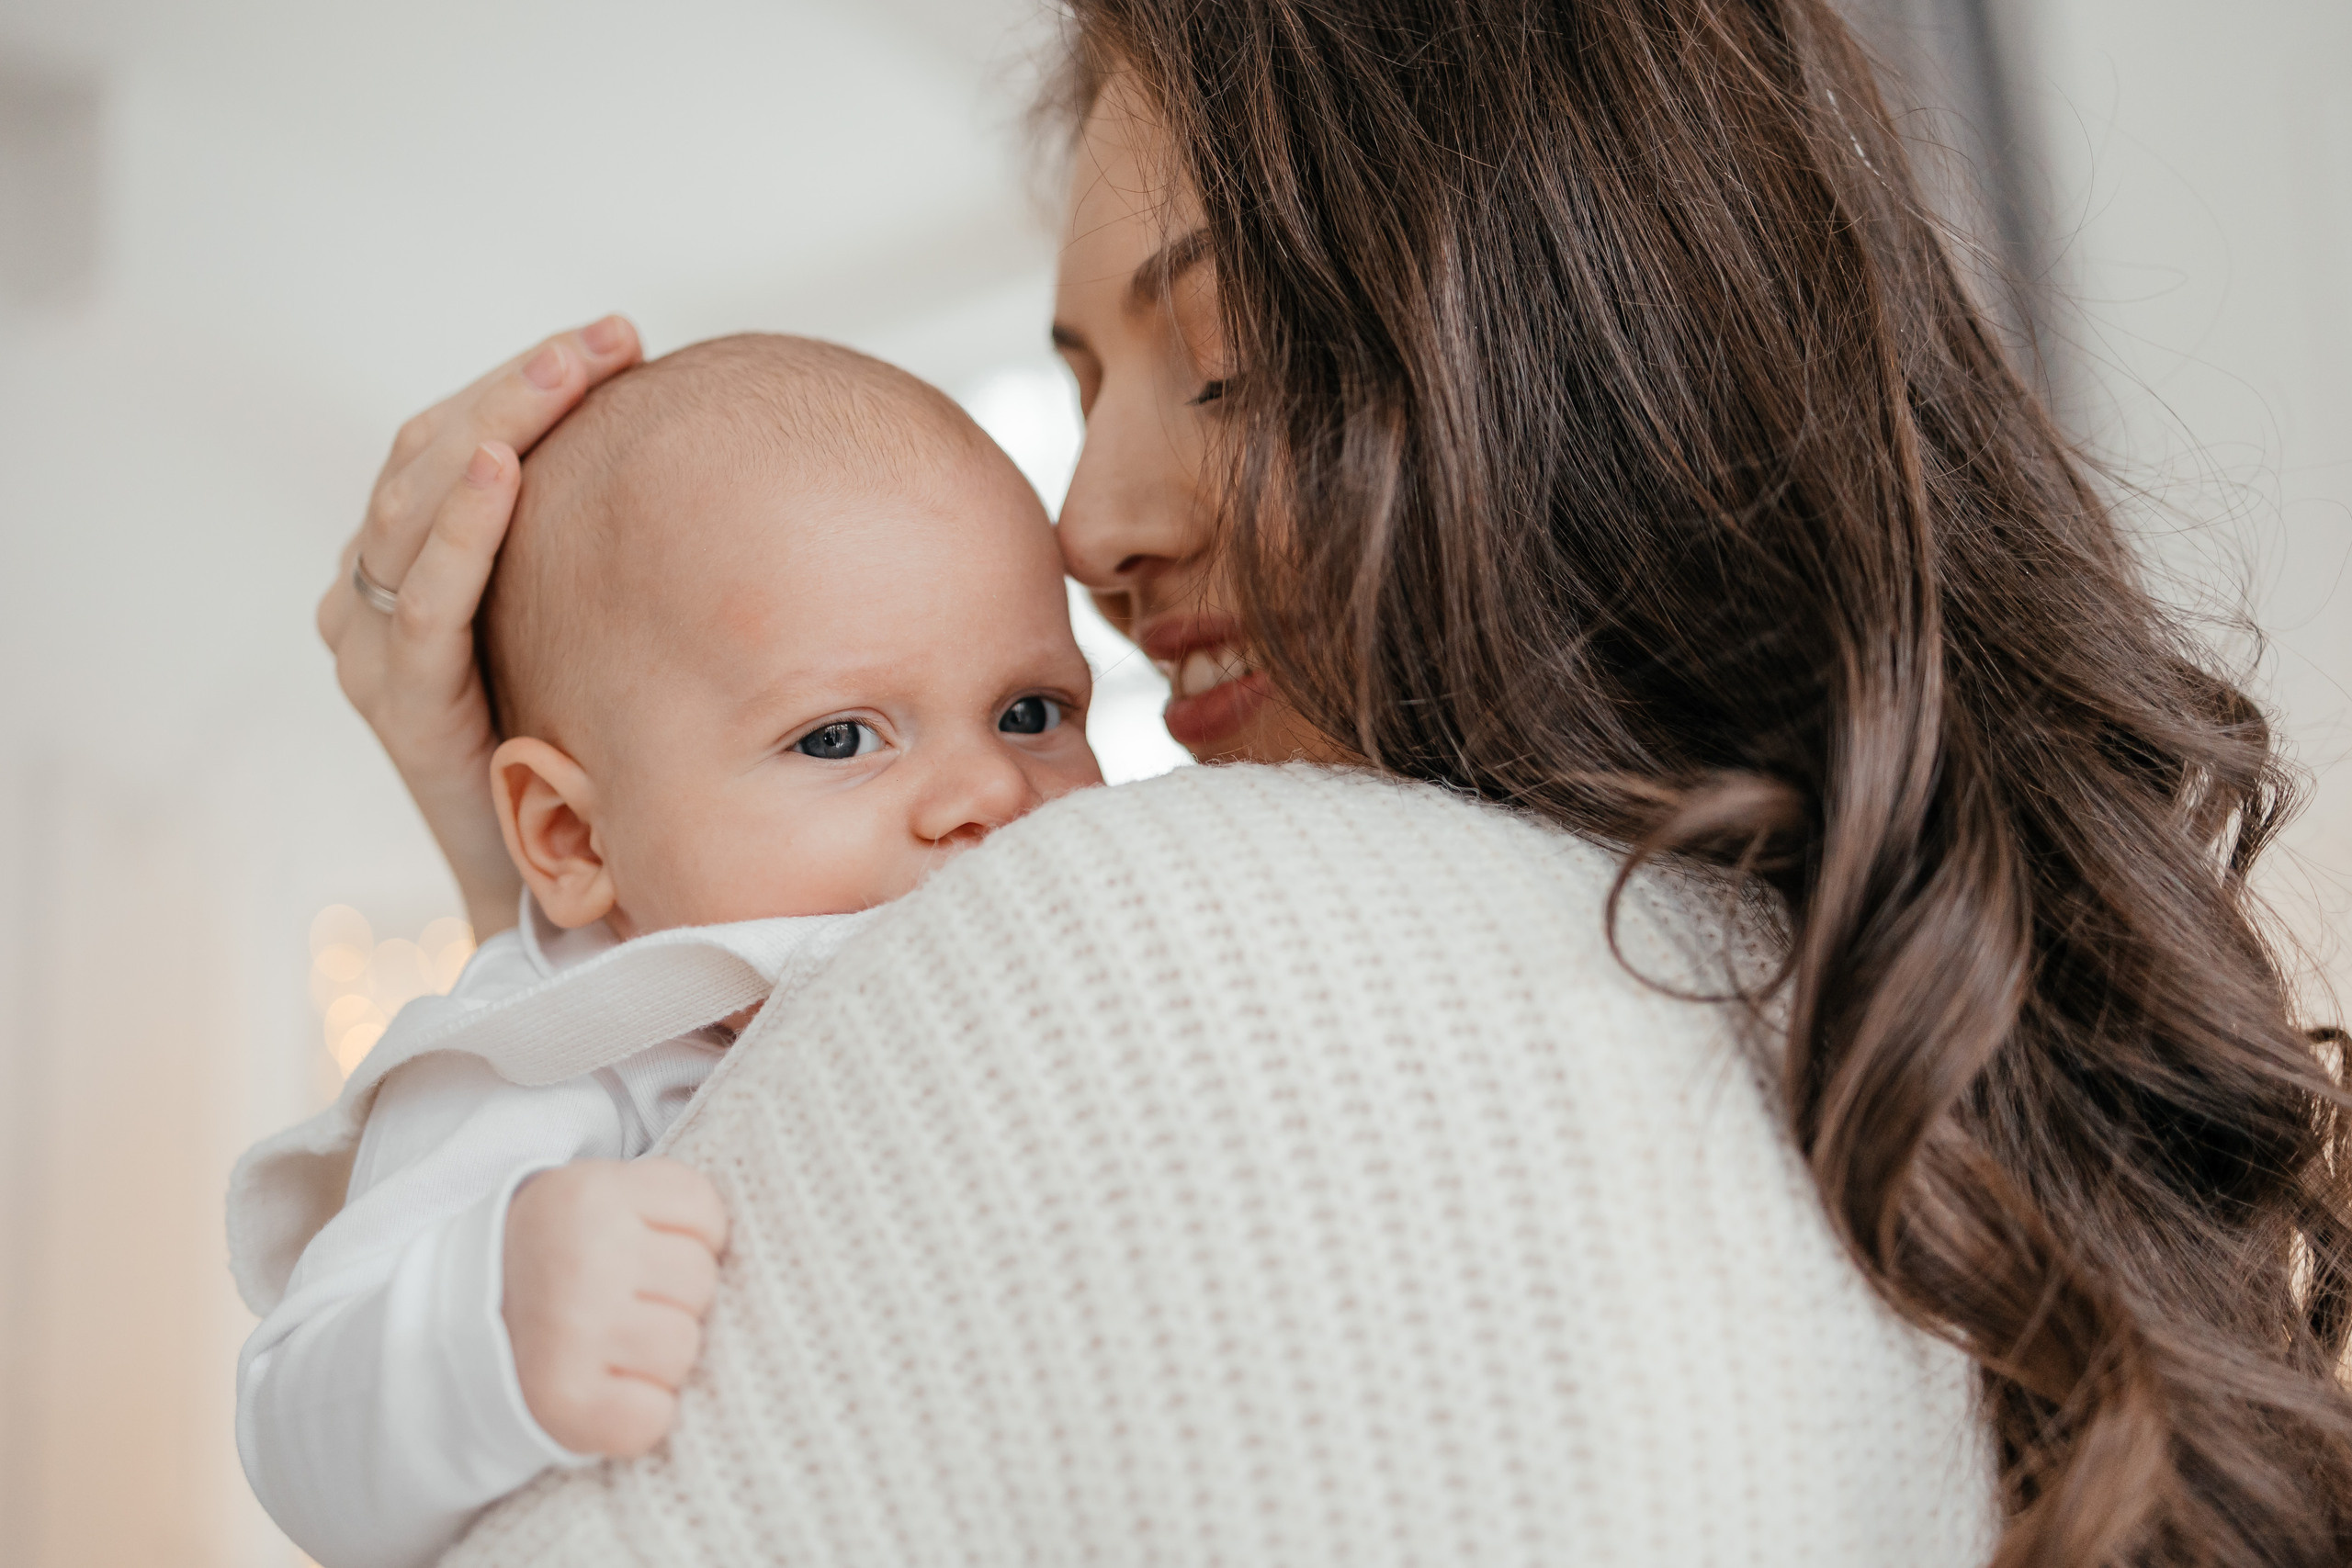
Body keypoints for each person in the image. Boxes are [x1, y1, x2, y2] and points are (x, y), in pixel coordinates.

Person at [314, 2, 2352, 1564]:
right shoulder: (1849, 1048)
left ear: (1581, 369)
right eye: (1084, 385)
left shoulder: (1181, 938)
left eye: (1223, 364)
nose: (1087, 531)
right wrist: (588, 888)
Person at [243, 334, 1102, 1568]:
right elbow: (294, 1427)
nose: (990, 791)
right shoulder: (546, 1056)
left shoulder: (1058, 960)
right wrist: (495, 1318)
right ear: (572, 834)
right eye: (839, 738)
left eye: (1032, 712)